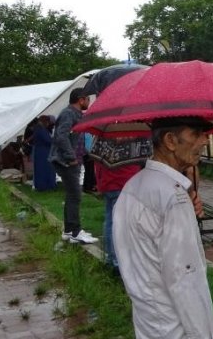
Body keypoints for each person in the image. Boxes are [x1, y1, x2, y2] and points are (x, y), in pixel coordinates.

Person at [113, 116, 213, 338]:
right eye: (196, 134)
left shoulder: (134, 185)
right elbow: (185, 277)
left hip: (149, 321)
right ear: (170, 140)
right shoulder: (172, 197)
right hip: (176, 327)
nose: (205, 141)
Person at [48, 88, 98, 244]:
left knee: (71, 195)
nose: (89, 102)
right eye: (88, 99)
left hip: (71, 160)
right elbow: (61, 136)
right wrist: (71, 158)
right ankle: (75, 232)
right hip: (67, 161)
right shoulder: (69, 113)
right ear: (80, 100)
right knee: (75, 195)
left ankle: (69, 231)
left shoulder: (74, 114)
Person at [94, 158, 142, 276]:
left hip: (108, 182)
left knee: (110, 221)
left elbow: (97, 162)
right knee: (121, 225)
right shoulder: (131, 141)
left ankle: (110, 258)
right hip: (124, 182)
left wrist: (100, 183)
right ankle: (118, 262)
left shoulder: (103, 141)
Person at [32, 115, 57, 191]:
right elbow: (48, 140)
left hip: (41, 151)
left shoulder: (39, 129)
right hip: (43, 152)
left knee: (43, 169)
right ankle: (45, 185)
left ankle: (44, 185)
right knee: (44, 169)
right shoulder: (41, 129)